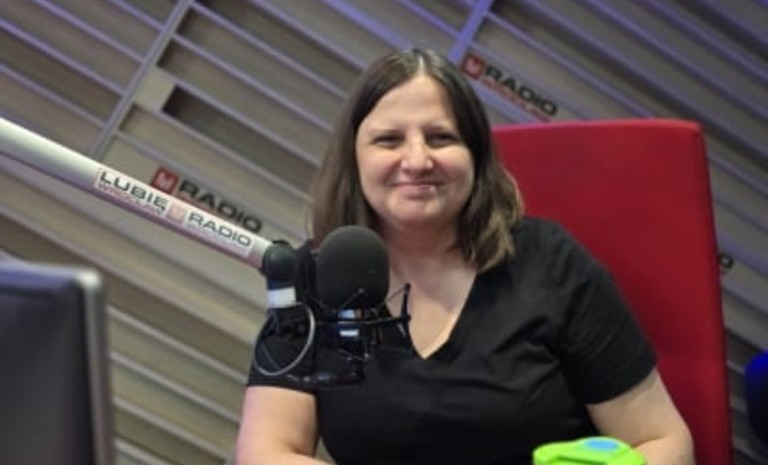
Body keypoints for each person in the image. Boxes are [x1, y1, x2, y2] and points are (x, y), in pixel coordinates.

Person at [235, 48, 694, 465]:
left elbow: (664, 442)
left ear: (475, 155)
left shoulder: (553, 265)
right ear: (354, 159)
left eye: (440, 137)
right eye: (389, 140)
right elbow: (265, 452)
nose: (417, 160)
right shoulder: (314, 278)